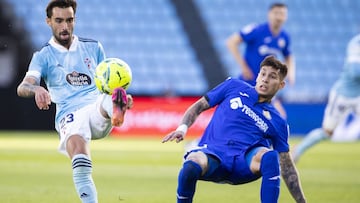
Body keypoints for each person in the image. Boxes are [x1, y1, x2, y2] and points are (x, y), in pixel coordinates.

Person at [16, 1, 133, 202]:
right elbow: (22, 87)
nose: (65, 27)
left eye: (69, 20)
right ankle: (114, 104)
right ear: (48, 21)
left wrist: (114, 97)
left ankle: (115, 106)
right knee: (80, 159)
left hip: (95, 109)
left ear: (74, 20)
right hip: (69, 115)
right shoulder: (43, 56)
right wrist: (37, 89)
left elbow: (105, 81)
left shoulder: (93, 47)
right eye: (59, 21)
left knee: (106, 96)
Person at [163, 56, 306, 203]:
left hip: (243, 162)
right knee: (190, 166)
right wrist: (182, 128)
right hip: (214, 154)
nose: (265, 79)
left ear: (281, 85)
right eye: (262, 74)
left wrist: (302, 201)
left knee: (270, 157)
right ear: (257, 76)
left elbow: (287, 167)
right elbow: (199, 106)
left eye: (272, 76)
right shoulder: (233, 86)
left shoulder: (278, 121)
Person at [292, 33, 360, 162]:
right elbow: (355, 72)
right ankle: (298, 150)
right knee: (327, 132)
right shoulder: (356, 44)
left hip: (358, 96)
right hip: (342, 95)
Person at [226, 2, 296, 119]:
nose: (279, 17)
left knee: (279, 117)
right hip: (248, 82)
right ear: (269, 14)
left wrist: (291, 74)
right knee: (232, 116)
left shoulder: (284, 37)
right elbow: (231, 42)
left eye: (282, 14)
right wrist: (243, 66)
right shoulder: (256, 30)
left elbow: (288, 55)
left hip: (265, 86)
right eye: (276, 13)